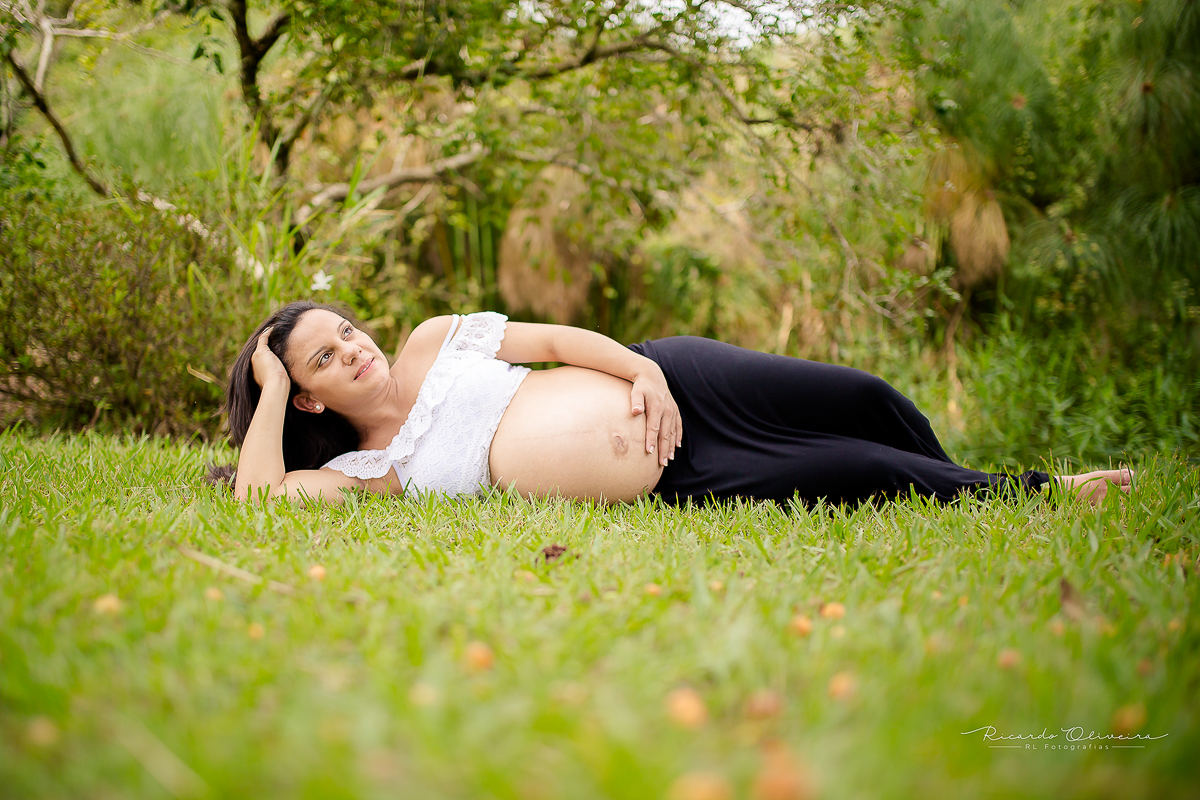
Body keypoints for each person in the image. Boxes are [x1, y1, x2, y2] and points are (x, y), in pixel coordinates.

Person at [211, 300, 1133, 507]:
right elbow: (258, 500)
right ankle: (1041, 492)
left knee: (864, 397)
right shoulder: (360, 474)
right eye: (323, 359)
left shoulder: (428, 341)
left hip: (677, 380)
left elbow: (561, 344)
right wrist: (272, 384)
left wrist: (644, 374)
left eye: (346, 331)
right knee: (860, 471)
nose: (354, 350)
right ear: (309, 397)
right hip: (678, 472)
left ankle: (961, 473)